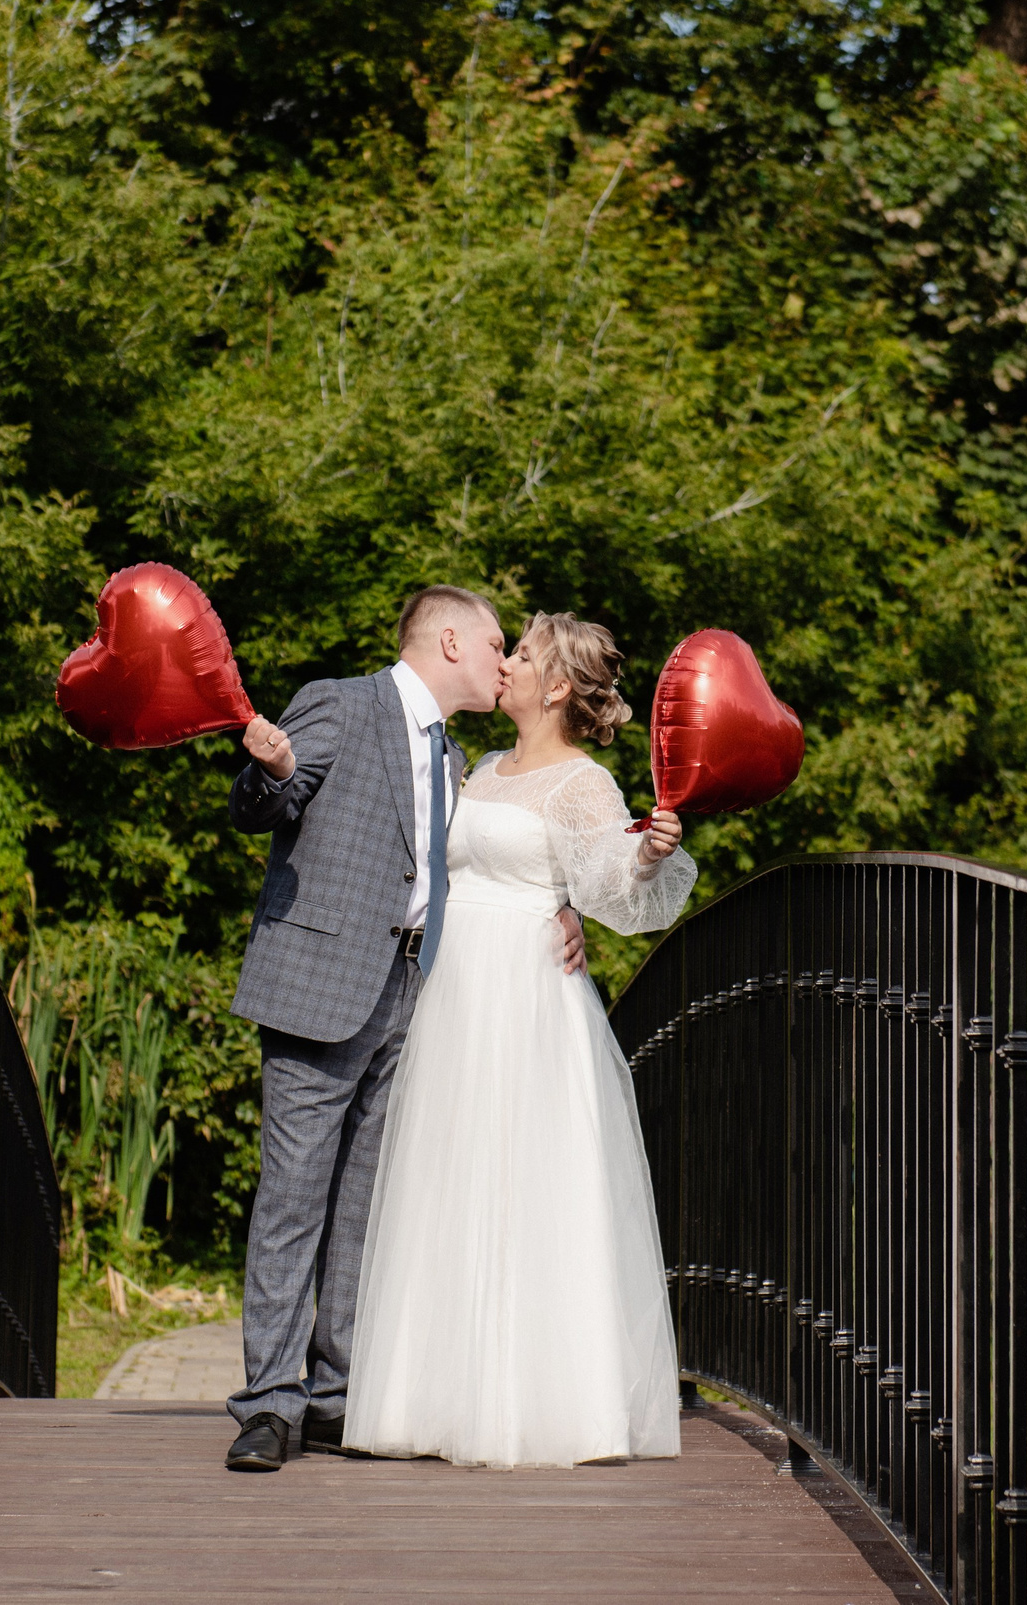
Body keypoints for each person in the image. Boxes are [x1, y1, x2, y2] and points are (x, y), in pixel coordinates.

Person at [221, 586, 587, 1472]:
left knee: (365, 1209)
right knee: (293, 1200)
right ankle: (269, 1403)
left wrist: (566, 903)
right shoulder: (341, 703)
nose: (505, 662)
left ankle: (338, 1395)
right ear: (450, 638)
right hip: (318, 985)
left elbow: (478, 863)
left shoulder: (457, 753)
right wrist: (269, 769)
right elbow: (269, 803)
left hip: (415, 991)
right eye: (498, 644)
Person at [344, 611, 697, 1468]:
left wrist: (645, 858)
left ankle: (545, 1404)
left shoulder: (583, 783)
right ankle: (422, 1399)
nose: (506, 664)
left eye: (524, 654)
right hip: (455, 994)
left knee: (530, 1186)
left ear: (559, 687)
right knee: (447, 1179)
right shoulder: (483, 769)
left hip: (529, 1001)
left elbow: (611, 884)